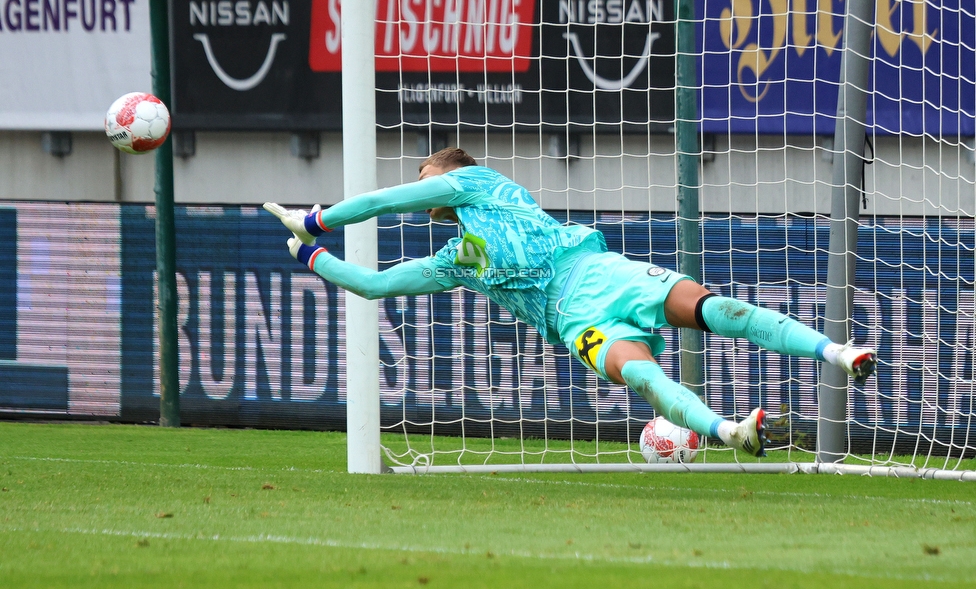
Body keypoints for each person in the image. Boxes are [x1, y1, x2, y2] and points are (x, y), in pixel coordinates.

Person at [264, 147, 877, 457]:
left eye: (426, 175)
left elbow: (379, 203)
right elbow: (374, 285)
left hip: (596, 271)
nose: (421, 186)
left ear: (450, 172)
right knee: (642, 375)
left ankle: (837, 351)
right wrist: (306, 255)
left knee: (713, 309)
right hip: (572, 320)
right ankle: (729, 433)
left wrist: (315, 219)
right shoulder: (459, 260)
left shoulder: (478, 183)